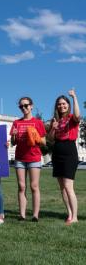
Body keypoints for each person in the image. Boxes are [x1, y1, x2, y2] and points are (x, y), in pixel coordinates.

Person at [10, 97, 46, 222]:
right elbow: (13, 143)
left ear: (31, 106)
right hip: (20, 158)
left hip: (34, 157)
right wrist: (14, 135)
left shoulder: (38, 122)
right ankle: (22, 214)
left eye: (26, 105)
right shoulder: (16, 123)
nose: (23, 108)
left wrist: (35, 136)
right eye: (21, 106)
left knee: (34, 186)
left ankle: (35, 215)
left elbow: (44, 142)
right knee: (21, 186)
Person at [49, 89, 80, 225]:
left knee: (68, 186)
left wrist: (74, 97)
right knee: (62, 187)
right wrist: (53, 128)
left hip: (69, 152)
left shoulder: (72, 118)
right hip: (57, 152)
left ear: (68, 105)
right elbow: (50, 139)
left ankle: (75, 217)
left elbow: (78, 116)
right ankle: (69, 214)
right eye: (59, 104)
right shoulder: (55, 120)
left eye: (64, 104)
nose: (62, 106)